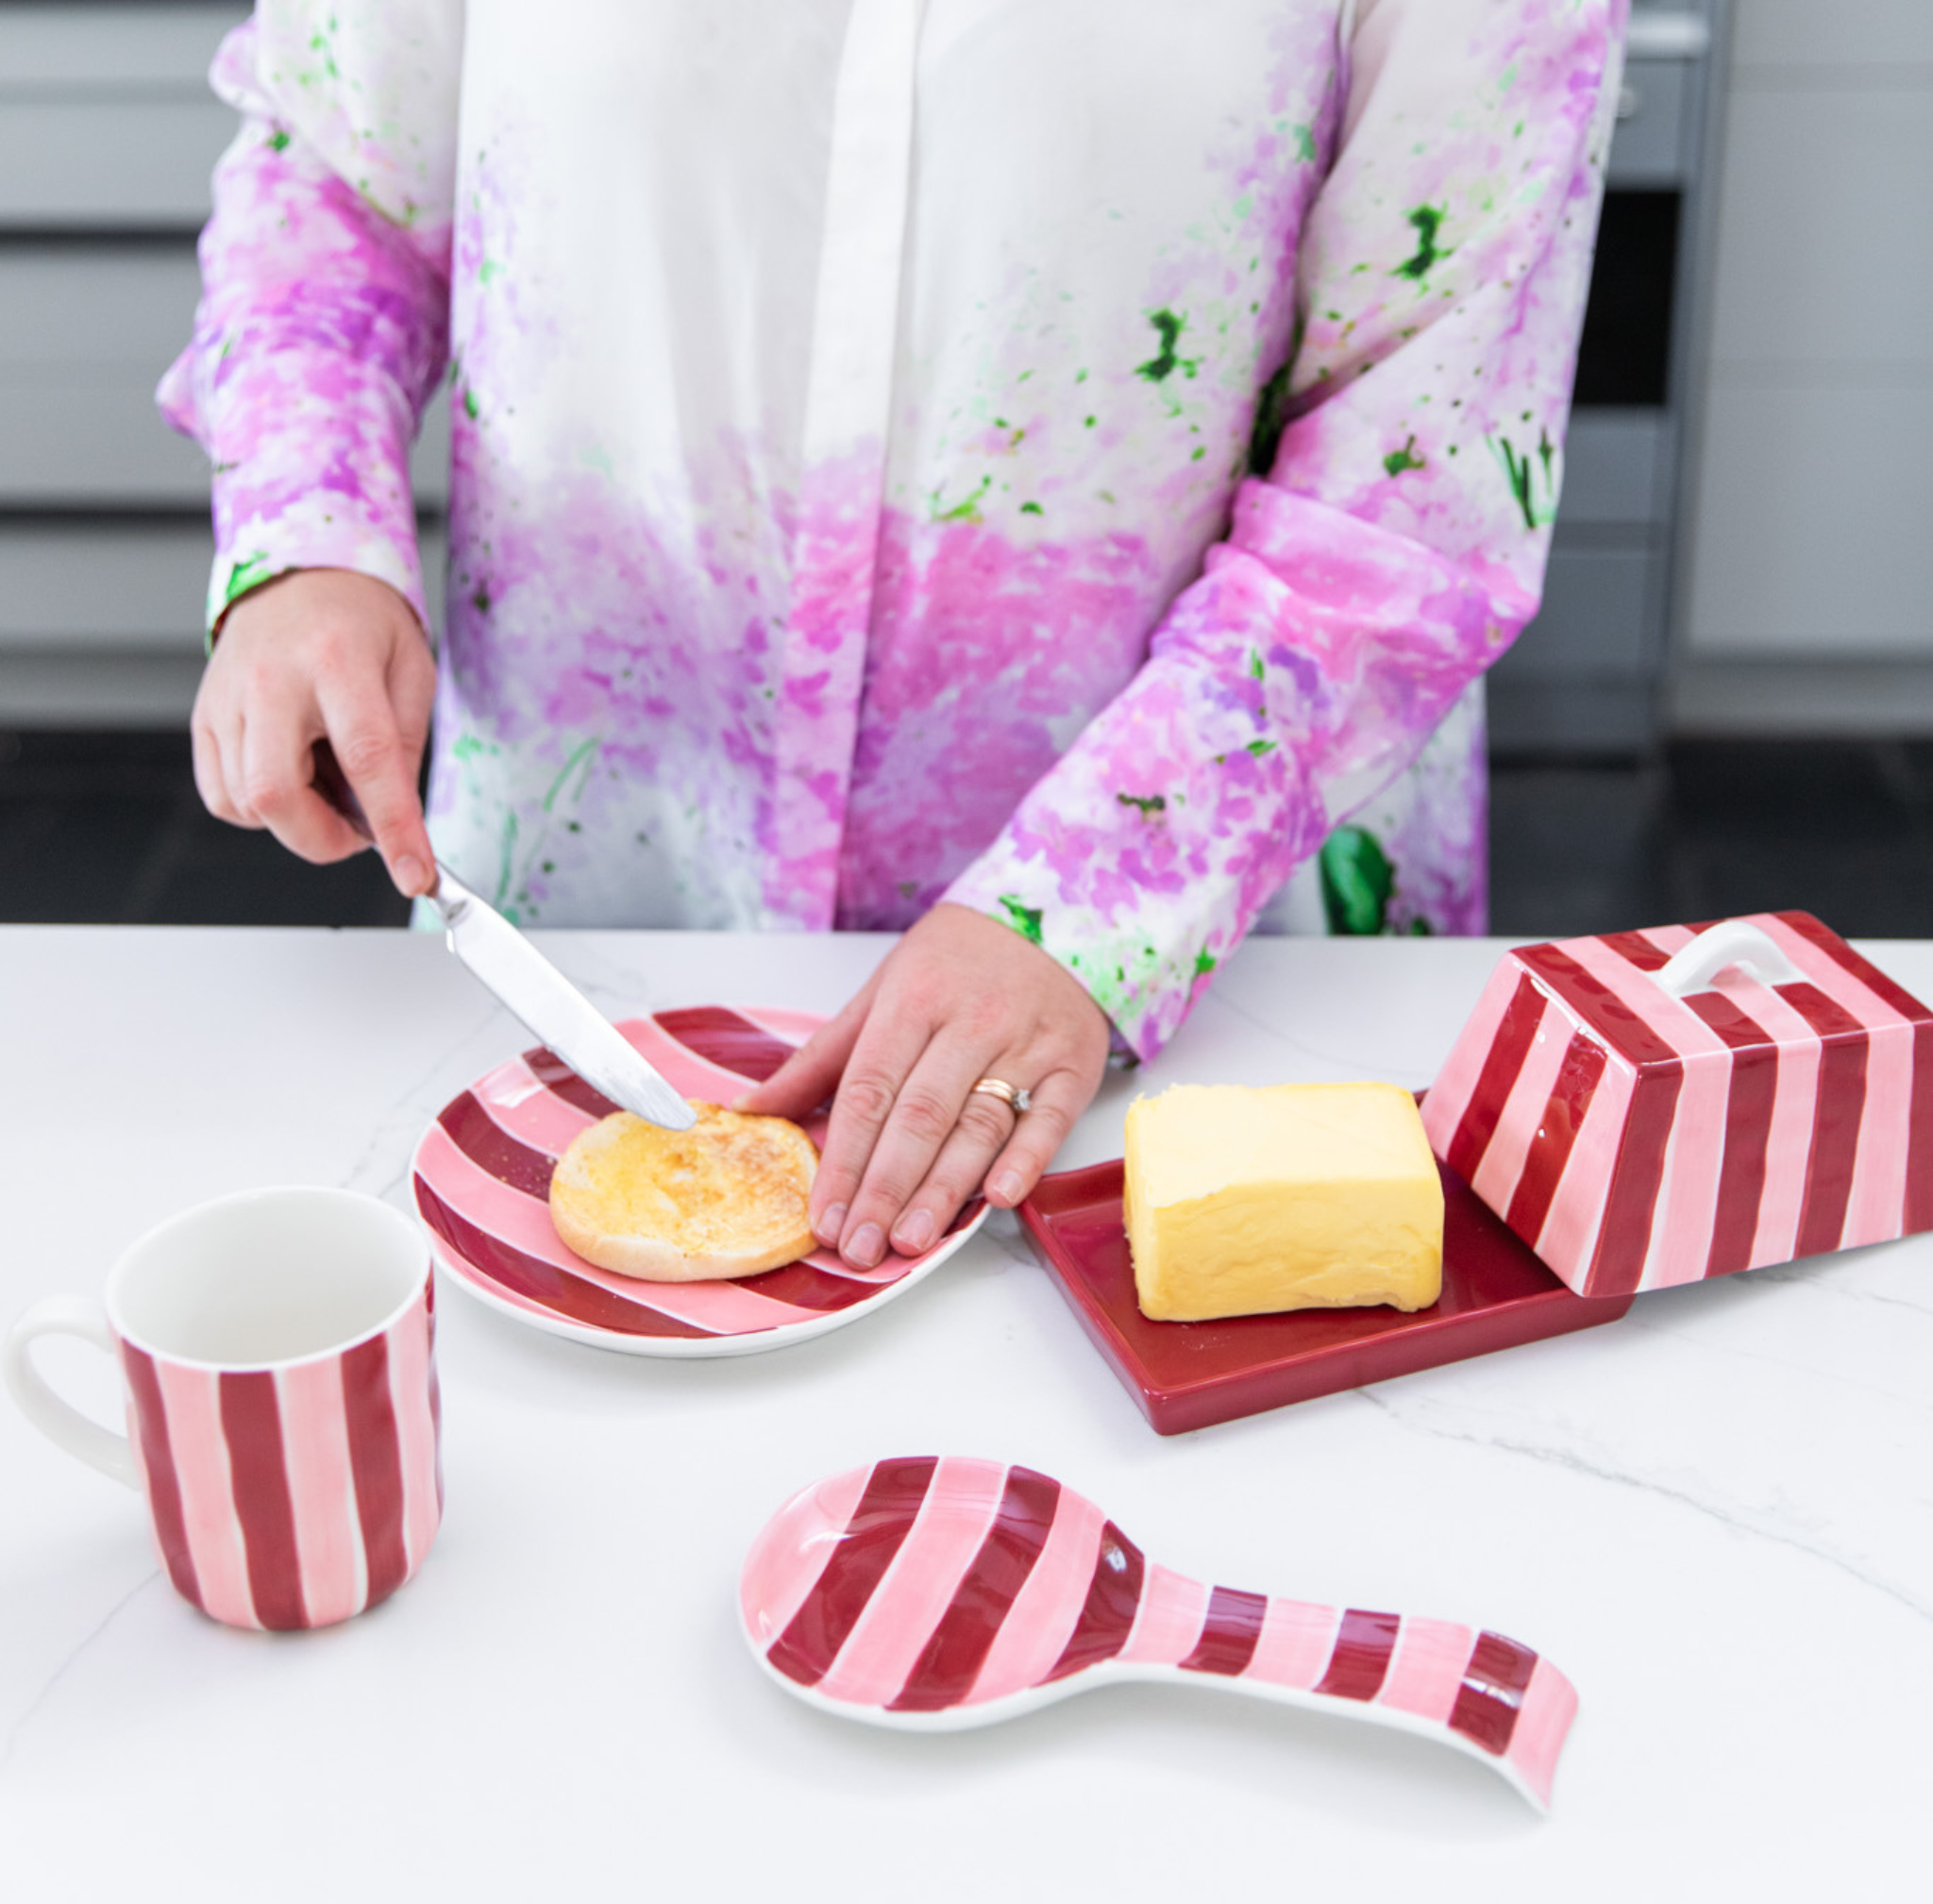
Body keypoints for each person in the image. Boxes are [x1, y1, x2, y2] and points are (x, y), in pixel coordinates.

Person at [161, 0, 1625, 1274]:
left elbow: (1417, 476)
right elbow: (334, 165)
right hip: (586, 920)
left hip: (1185, 998)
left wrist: (1091, 904)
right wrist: (306, 532)